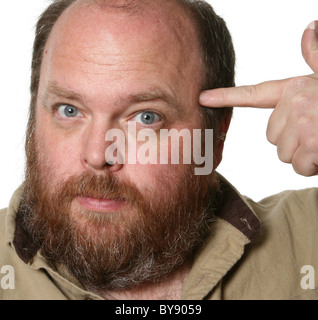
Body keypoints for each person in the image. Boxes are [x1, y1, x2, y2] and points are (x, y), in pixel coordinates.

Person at [0, 0, 317, 300]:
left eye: (145, 118)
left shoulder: (306, 241)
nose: (98, 155)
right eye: (69, 110)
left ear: (216, 136)